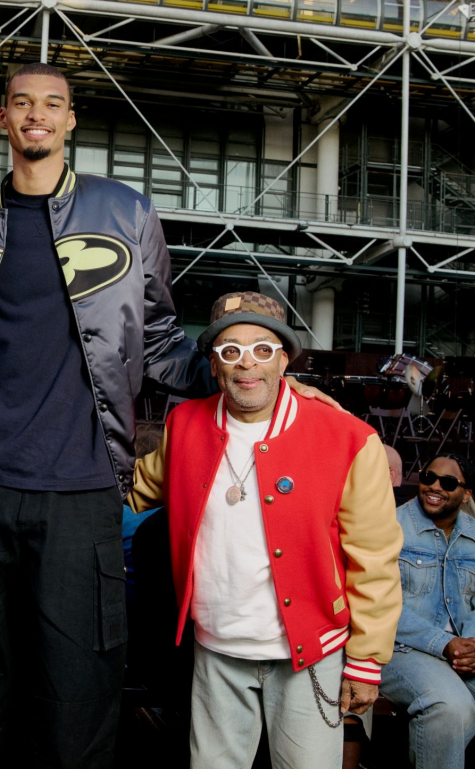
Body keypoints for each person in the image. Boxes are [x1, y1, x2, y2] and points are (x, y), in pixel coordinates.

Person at [0, 61, 338, 768]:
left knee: (79, 689)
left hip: (82, 488)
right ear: (2, 118)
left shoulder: (126, 212)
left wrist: (258, 383)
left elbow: (156, 339)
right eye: (21, 103)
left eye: (51, 104)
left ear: (70, 119)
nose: (36, 115)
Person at [131, 291, 404, 768]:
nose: (246, 364)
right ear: (214, 364)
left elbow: (374, 557)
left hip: (309, 653)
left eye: (262, 348)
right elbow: (137, 488)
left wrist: (365, 662)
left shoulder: (348, 439)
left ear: (284, 359)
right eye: (230, 350)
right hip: (214, 649)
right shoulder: (184, 425)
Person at [379, 452, 475, 769]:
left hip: (462, 652)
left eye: (447, 482)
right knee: (451, 706)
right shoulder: (391, 527)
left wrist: (470, 648)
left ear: (466, 494)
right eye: (427, 477)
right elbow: (380, 603)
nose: (434, 486)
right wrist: (444, 644)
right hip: (400, 649)